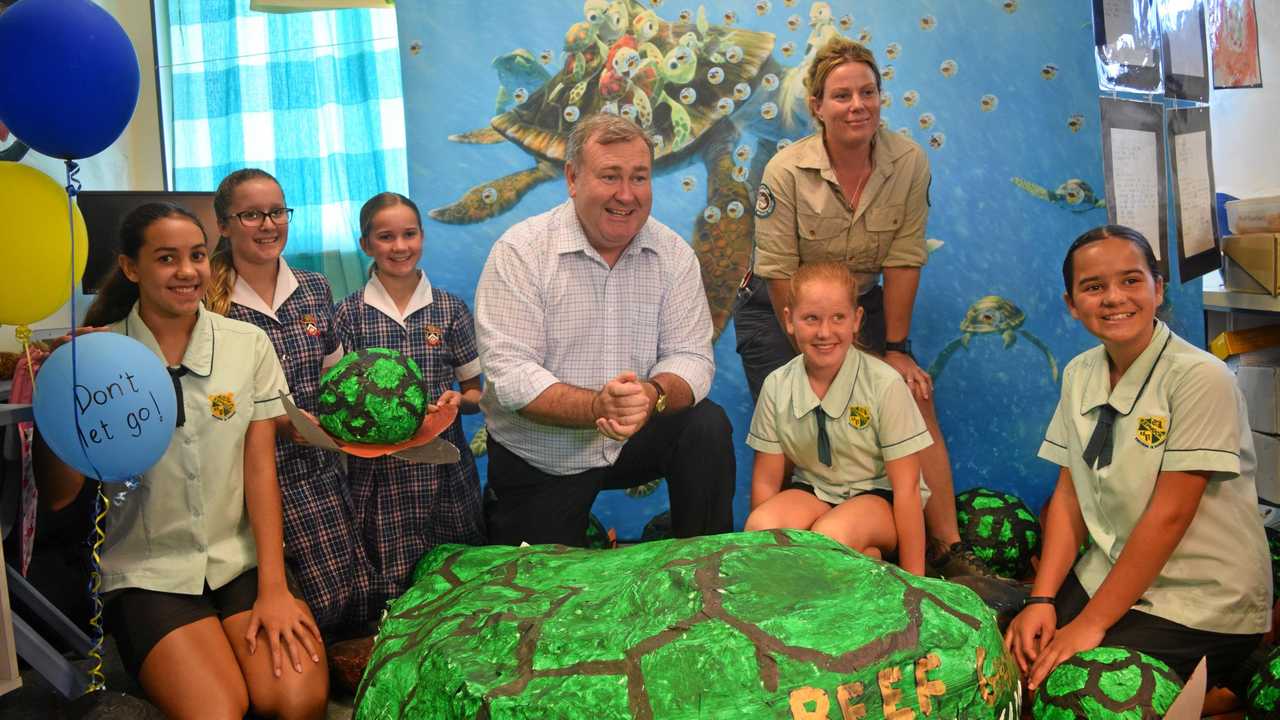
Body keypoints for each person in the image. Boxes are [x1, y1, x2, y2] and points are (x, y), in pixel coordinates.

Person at [38, 203, 327, 719]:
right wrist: (61, 393)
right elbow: (60, 494)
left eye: (196, 255)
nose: (187, 271)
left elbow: (260, 472)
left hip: (240, 561)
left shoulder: (247, 344)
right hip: (149, 571)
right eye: (166, 258)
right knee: (218, 712)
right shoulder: (99, 357)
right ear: (131, 268)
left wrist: (275, 589)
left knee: (296, 701)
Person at [734, 36, 987, 578]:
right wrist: (807, 343)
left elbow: (902, 257)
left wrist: (894, 348)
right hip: (783, 308)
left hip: (859, 304)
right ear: (817, 106)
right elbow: (780, 273)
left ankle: (947, 550)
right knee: (802, 407)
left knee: (913, 397)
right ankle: (825, 544)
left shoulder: (908, 162)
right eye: (842, 95)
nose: (857, 106)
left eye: (868, 92)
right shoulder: (785, 170)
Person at [1004, 225, 1270, 691]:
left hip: (1200, 599)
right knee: (1016, 654)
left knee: (1072, 684)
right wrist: (1042, 599)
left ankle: (1223, 687)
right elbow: (1068, 495)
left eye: (1130, 280)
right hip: (1108, 572)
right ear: (1071, 303)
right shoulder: (1079, 373)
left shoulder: (1200, 378)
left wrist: (1090, 624)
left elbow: (1170, 516)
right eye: (1093, 287)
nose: (1113, 298)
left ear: (1157, 288)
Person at [475, 113, 735, 547]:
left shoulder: (674, 254)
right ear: (573, 178)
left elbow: (692, 357)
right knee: (536, 601)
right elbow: (512, 378)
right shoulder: (519, 253)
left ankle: (705, 563)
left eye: (639, 177)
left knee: (706, 425)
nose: (626, 195)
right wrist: (600, 405)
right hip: (542, 453)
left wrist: (652, 396)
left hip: (637, 433)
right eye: (610, 176)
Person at [205, 168, 377, 631]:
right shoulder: (206, 300)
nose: (268, 224)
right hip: (244, 478)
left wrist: (405, 413)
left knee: (347, 601)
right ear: (223, 225)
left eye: (277, 212)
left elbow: (338, 382)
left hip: (317, 473)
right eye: (251, 215)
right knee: (277, 610)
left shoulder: (315, 287)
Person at [332, 192, 485, 604]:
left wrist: (459, 400)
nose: (400, 247)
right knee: (389, 586)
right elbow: (338, 404)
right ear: (366, 245)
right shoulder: (348, 315)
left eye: (409, 234)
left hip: (444, 467)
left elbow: (475, 391)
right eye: (385, 237)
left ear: (422, 236)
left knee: (455, 583)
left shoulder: (450, 310)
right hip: (379, 475)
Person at [743, 262, 928, 574]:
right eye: (811, 319)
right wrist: (765, 565)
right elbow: (766, 480)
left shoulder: (885, 384)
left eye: (838, 318)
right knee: (761, 527)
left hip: (879, 498)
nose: (824, 332)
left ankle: (874, 561)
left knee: (830, 538)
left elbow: (908, 489)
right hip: (815, 490)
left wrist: (917, 585)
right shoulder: (777, 385)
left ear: (856, 320)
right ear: (790, 321)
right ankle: (867, 560)